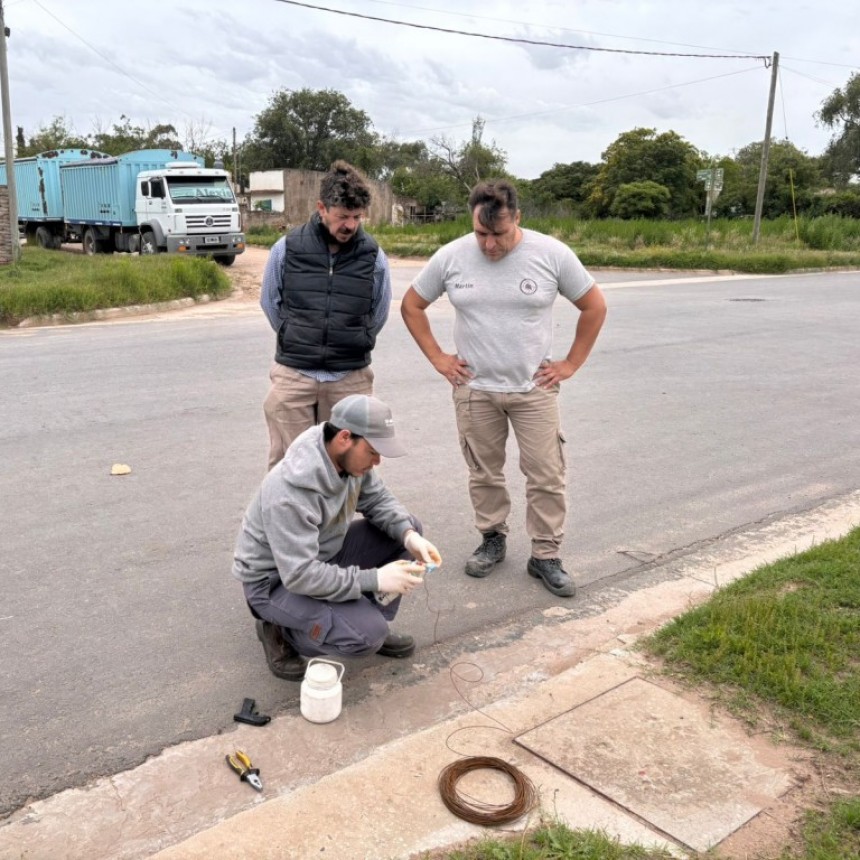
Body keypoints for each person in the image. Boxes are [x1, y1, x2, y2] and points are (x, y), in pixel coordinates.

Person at [400, 180, 606, 598]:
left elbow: (594, 305)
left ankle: (545, 555)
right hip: (475, 390)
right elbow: (411, 305)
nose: (490, 245)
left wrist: (570, 363)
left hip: (533, 389)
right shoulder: (453, 255)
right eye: (482, 234)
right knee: (484, 472)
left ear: (519, 220)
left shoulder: (551, 254)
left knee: (547, 475)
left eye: (500, 234)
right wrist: (439, 358)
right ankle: (492, 539)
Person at [232, 394, 442, 680]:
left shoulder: (348, 461)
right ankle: (281, 628)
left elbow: (378, 500)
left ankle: (361, 619)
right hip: (276, 582)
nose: (378, 461)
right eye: (373, 451)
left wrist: (408, 537)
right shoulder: (289, 493)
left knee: (409, 527)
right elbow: (300, 575)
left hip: (321, 555)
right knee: (366, 637)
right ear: (345, 437)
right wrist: (375, 579)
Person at [260, 160, 393, 470]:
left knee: (351, 465)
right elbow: (270, 301)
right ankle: (290, 520)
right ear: (322, 208)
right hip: (294, 375)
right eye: (342, 216)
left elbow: (379, 311)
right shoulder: (287, 248)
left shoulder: (373, 256)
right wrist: (296, 333)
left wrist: (352, 338)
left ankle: (340, 521)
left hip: (349, 378)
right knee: (290, 466)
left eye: (357, 217)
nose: (350, 225)